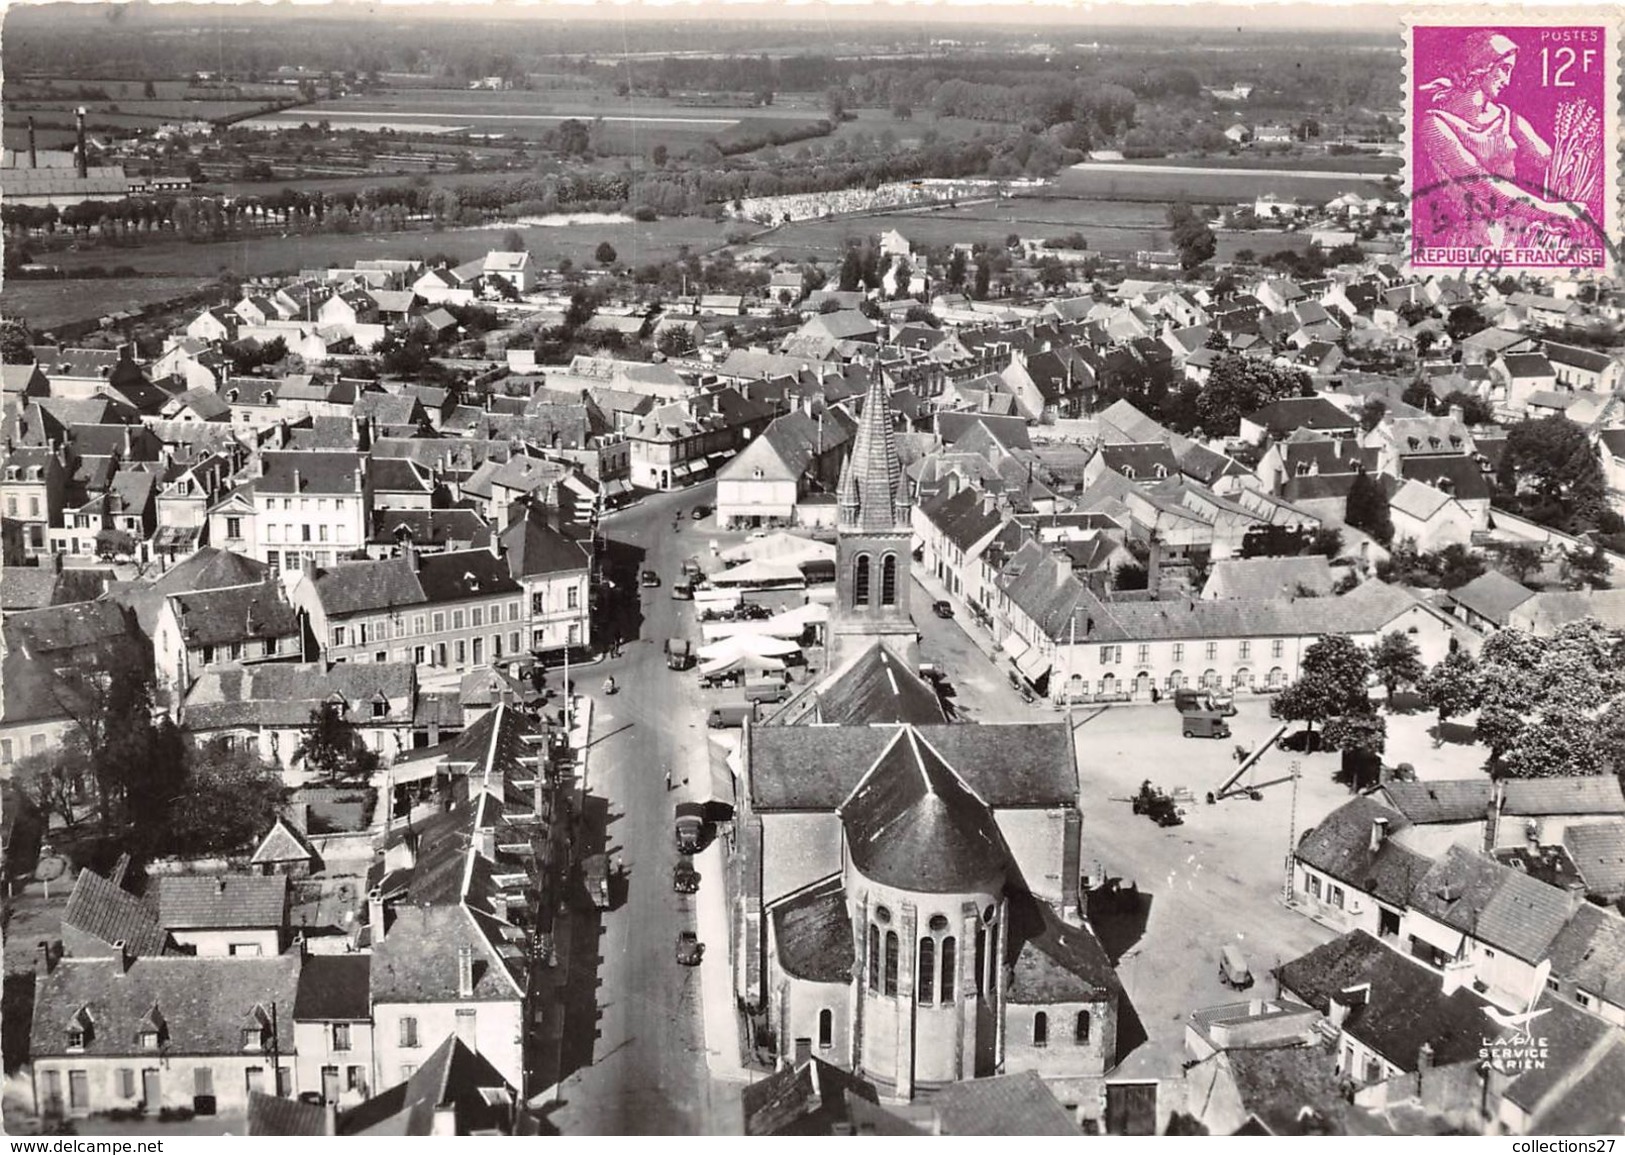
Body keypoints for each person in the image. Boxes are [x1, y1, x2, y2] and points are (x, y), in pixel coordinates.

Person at [1414, 30, 1590, 254]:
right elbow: (1483, 185)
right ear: (1481, 67)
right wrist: (1554, 210)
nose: (1508, 80)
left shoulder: (1507, 118)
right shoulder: (1435, 125)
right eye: (1504, 69)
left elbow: (1551, 161)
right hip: (1475, 244)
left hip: (1520, 236)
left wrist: (1576, 151)